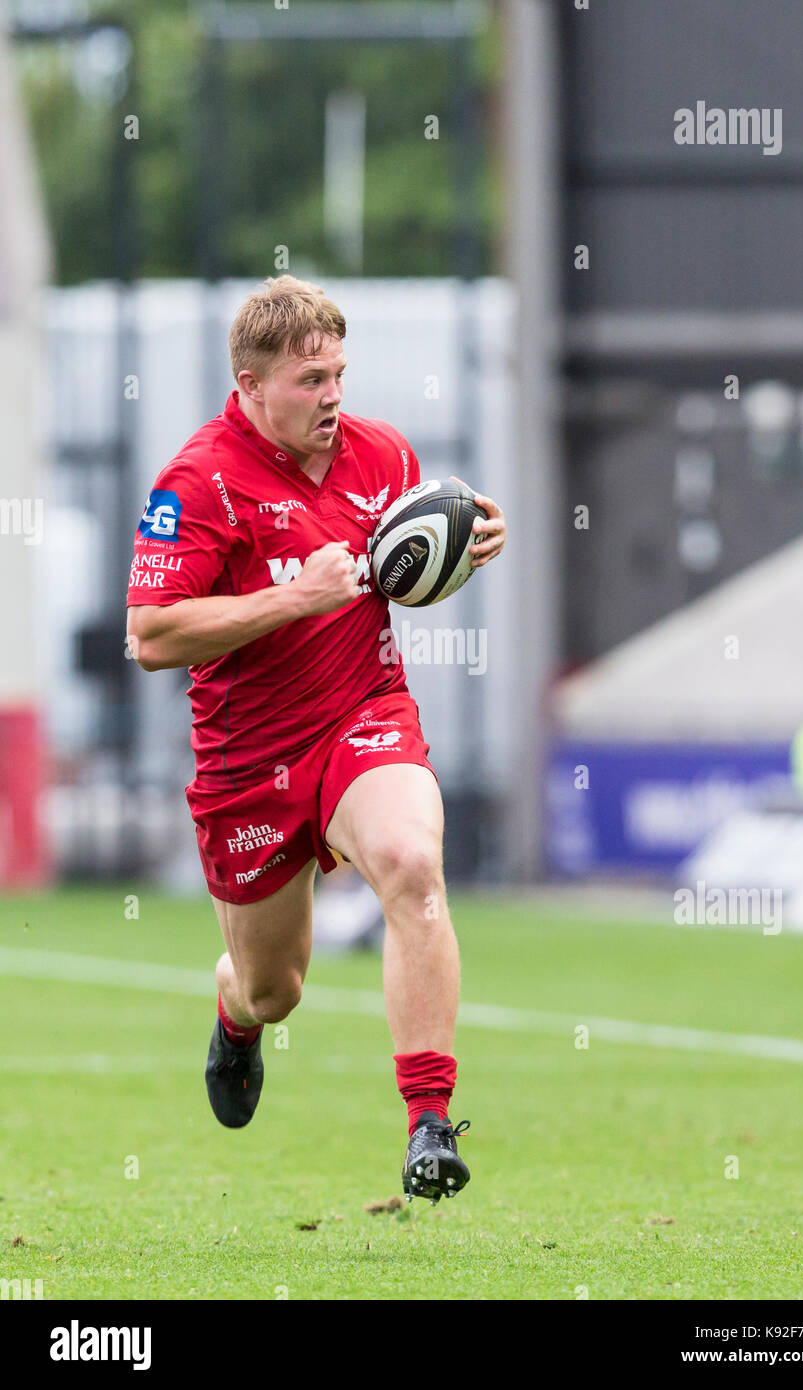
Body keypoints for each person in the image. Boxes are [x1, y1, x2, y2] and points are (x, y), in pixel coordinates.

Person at [125, 275, 506, 1202]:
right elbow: (150, 636)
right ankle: (235, 1014)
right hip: (248, 762)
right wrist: (295, 596)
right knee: (276, 987)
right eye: (309, 380)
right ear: (251, 388)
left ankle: (427, 1125)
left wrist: (463, 543)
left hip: (363, 716)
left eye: (338, 373)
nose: (333, 395)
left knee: (412, 863)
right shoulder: (196, 481)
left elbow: (405, 562)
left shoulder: (383, 456)